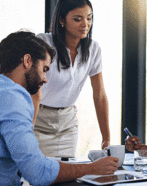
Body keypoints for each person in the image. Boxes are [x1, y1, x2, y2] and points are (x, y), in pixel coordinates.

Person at [0, 31, 119, 185]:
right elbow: (37, 172)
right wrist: (91, 168)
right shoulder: (13, 99)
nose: (44, 79)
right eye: (44, 69)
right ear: (27, 60)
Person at [31, 0, 110, 157]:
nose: (85, 24)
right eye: (77, 19)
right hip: (38, 119)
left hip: (67, 122)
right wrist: (28, 128)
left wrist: (106, 138)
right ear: (61, 20)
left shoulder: (93, 49)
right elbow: (33, 88)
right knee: (38, 176)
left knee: (66, 174)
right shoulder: (44, 42)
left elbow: (100, 94)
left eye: (89, 18)